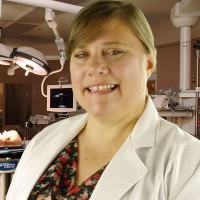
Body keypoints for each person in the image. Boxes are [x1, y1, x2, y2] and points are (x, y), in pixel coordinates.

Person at [6, 1, 200, 199]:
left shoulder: (189, 162)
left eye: (115, 52)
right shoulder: (43, 141)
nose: (95, 67)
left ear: (149, 62)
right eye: (82, 54)